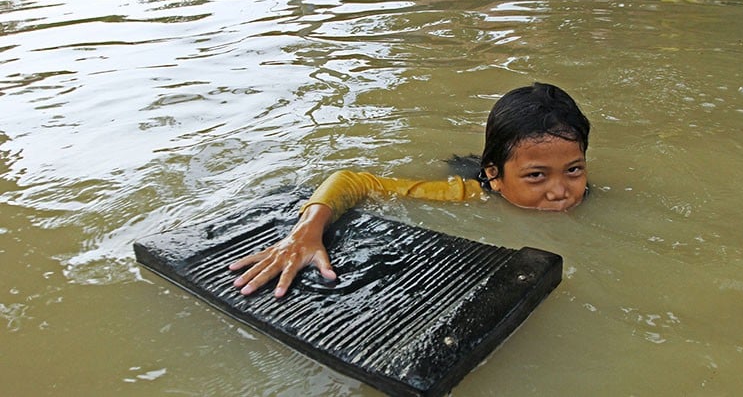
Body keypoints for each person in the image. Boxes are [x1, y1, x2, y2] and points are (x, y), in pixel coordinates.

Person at [229, 82, 591, 297]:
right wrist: (305, 232)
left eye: (573, 169)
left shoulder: (588, 194)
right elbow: (354, 180)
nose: (560, 191)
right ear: (495, 176)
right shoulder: (465, 195)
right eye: (536, 176)